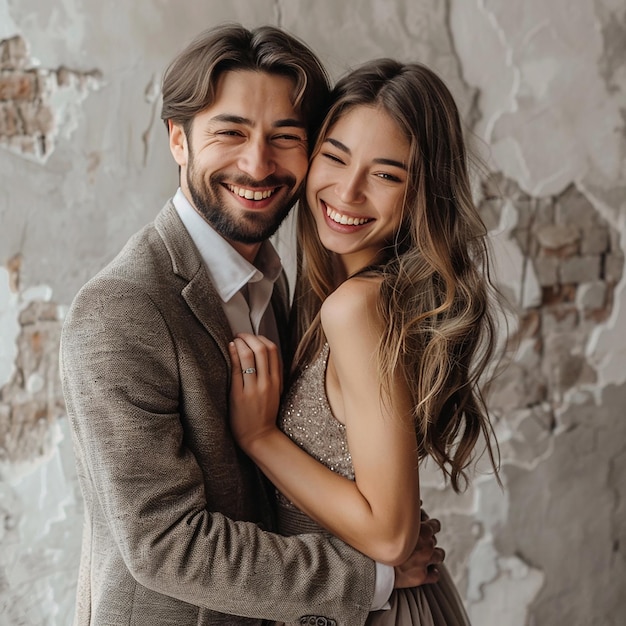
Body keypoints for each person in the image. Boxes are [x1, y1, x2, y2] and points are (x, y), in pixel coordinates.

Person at [59, 25, 444, 626]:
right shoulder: (121, 309)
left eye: (285, 137)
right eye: (231, 132)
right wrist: (372, 577)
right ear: (177, 141)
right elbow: (165, 546)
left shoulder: (277, 279)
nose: (257, 163)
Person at [228, 58, 503, 625]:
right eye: (335, 156)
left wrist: (258, 436)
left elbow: (392, 533)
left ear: (421, 194)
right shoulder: (341, 295)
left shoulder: (356, 308)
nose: (347, 191)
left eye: (386, 175)